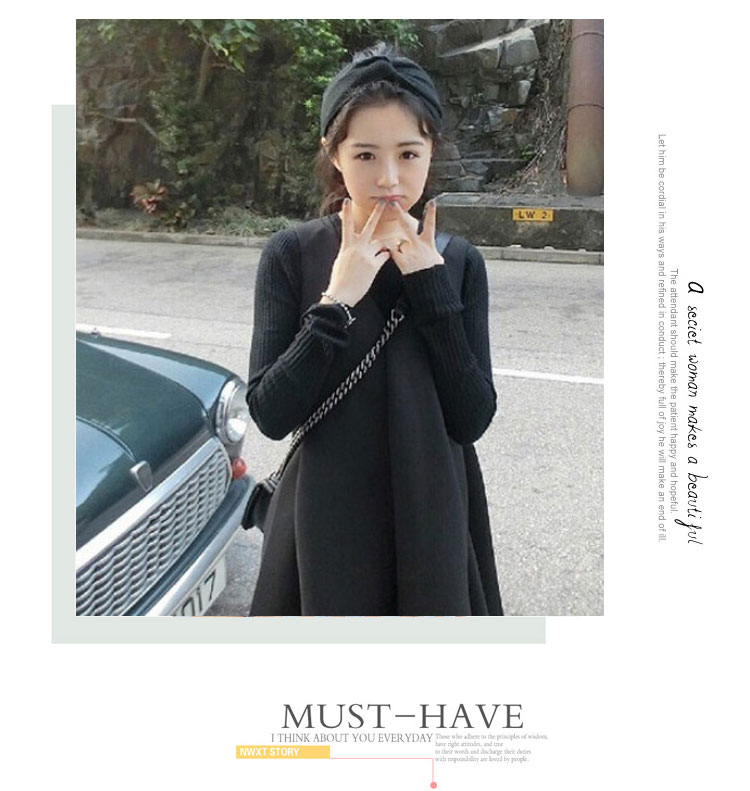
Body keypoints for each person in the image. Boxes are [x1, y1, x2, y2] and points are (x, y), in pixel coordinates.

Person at [246, 42, 503, 616]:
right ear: (334, 154)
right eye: (365, 155)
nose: (389, 178)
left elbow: (471, 418)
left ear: (431, 151)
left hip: (432, 514)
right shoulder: (292, 254)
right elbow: (270, 414)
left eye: (409, 153)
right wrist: (337, 300)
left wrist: (431, 287)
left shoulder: (460, 262)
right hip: (324, 521)